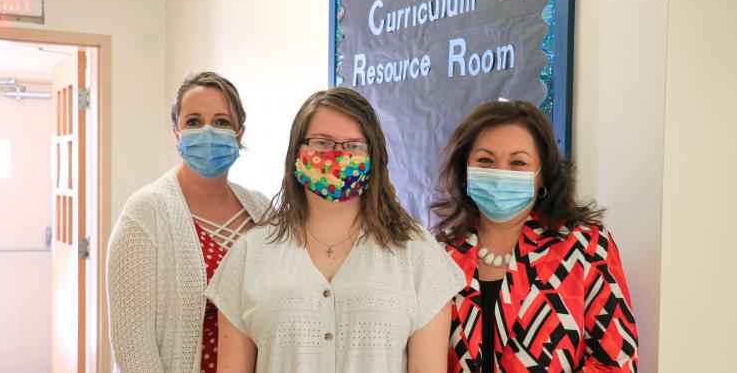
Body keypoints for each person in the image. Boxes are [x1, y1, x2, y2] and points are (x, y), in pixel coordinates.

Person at [204, 87, 466, 372]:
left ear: (373, 157)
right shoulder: (250, 254)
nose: (337, 156)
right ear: (296, 152)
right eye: (322, 143)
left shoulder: (417, 253)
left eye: (353, 146)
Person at [430, 101, 638, 372]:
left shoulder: (585, 246)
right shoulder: (440, 255)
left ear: (542, 176)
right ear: (465, 169)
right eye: (485, 160)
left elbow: (616, 361)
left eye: (518, 162)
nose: (501, 173)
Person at [106, 72, 269, 372]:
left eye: (221, 122)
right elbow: (133, 348)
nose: (207, 131)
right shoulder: (145, 214)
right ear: (176, 132)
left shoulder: (261, 211)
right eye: (194, 121)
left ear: (239, 134)